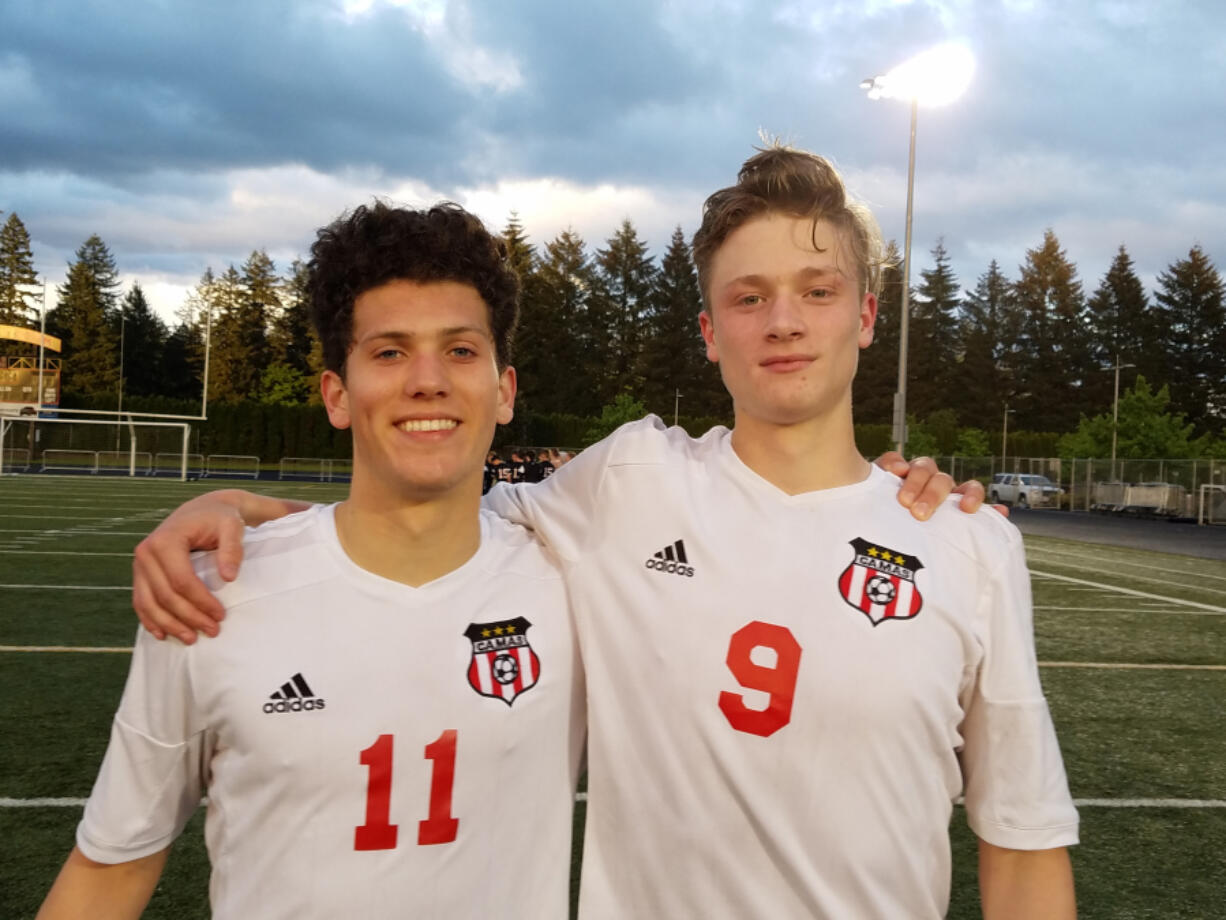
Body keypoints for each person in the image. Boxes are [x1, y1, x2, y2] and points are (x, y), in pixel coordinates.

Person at [127, 149, 1040, 918]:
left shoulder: (967, 543)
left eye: (819, 290)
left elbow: (1024, 840)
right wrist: (235, 509)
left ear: (869, 315)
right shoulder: (627, 480)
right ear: (709, 332)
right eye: (749, 297)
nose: (785, 321)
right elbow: (417, 520)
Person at [37, 203, 584, 919]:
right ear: (336, 394)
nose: (428, 380)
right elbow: (110, 871)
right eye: (389, 352)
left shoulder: (576, 578)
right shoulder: (208, 596)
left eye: (460, 350)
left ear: (504, 389)